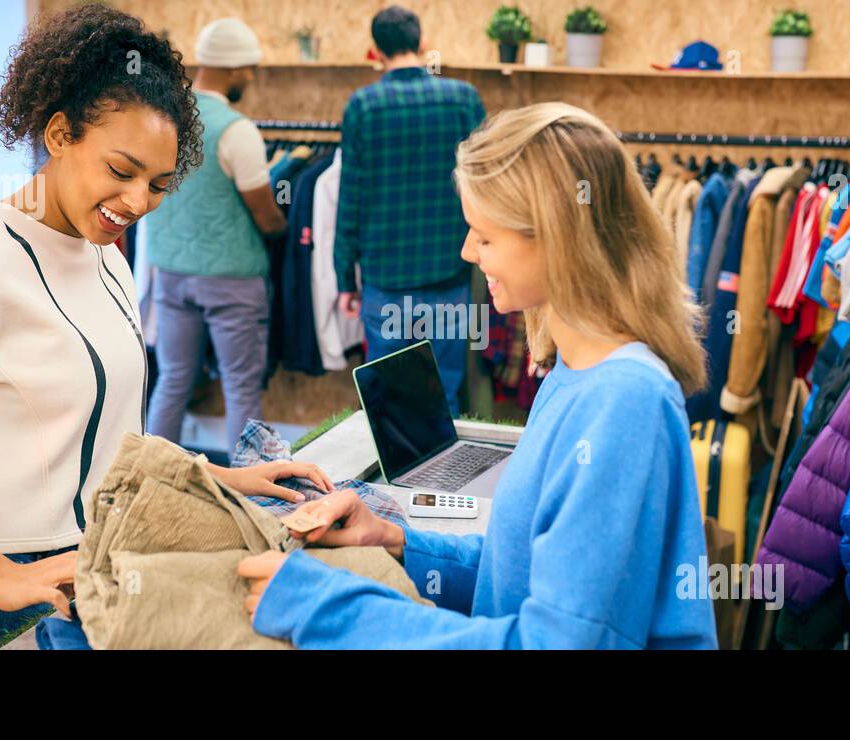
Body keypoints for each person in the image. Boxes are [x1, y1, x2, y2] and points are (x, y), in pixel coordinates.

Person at [0, 5, 331, 651]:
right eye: (121, 171)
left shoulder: (105, 254)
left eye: (159, 184)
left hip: (82, 578)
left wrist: (218, 476)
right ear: (57, 134)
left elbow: (108, 442)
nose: (137, 202)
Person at [238, 103, 717, 649]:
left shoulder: (624, 401)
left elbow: (552, 642)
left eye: (484, 236)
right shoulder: (574, 370)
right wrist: (399, 542)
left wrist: (327, 609)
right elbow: (522, 576)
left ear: (556, 240)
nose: (468, 251)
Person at [334, 5, 485, 415]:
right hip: (450, 277)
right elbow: (488, 186)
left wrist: (345, 278)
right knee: (446, 396)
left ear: (376, 51)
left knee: (391, 405)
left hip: (386, 283)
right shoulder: (463, 99)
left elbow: (351, 200)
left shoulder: (363, 106)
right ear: (421, 44)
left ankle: (394, 481)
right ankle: (448, 479)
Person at [145, 17, 287, 454]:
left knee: (172, 380)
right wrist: (284, 226)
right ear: (234, 68)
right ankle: (251, 498)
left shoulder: (163, 120)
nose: (251, 77)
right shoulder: (236, 129)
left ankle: (148, 481)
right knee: (241, 388)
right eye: (249, 69)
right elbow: (265, 216)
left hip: (170, 274)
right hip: (231, 279)